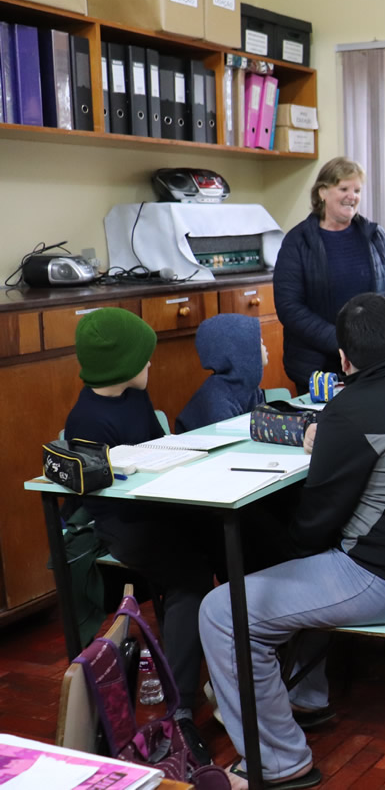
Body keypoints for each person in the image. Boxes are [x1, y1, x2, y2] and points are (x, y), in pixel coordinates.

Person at [199, 293, 385, 789]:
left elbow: (312, 527)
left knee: (222, 610)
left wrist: (326, 441)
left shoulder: (351, 411)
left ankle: (279, 763)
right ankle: (307, 697)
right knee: (308, 561)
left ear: (344, 361)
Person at [63, 308, 215, 762]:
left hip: (160, 509)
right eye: (144, 359)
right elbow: (101, 499)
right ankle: (182, 704)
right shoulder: (86, 420)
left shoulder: (134, 398)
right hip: (123, 525)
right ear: (123, 366)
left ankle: (226, 666)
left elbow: (154, 450)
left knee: (229, 541)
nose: (152, 366)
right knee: (189, 576)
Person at [274, 156, 385, 395]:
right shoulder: (297, 241)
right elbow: (289, 307)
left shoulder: (376, 237)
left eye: (356, 190)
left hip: (373, 362)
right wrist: (342, 341)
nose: (352, 196)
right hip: (316, 367)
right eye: (344, 188)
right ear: (323, 192)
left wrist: (382, 336)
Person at [175, 314, 267, 433]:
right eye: (257, 342)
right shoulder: (217, 402)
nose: (264, 345)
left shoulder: (250, 388)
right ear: (241, 352)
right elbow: (229, 445)